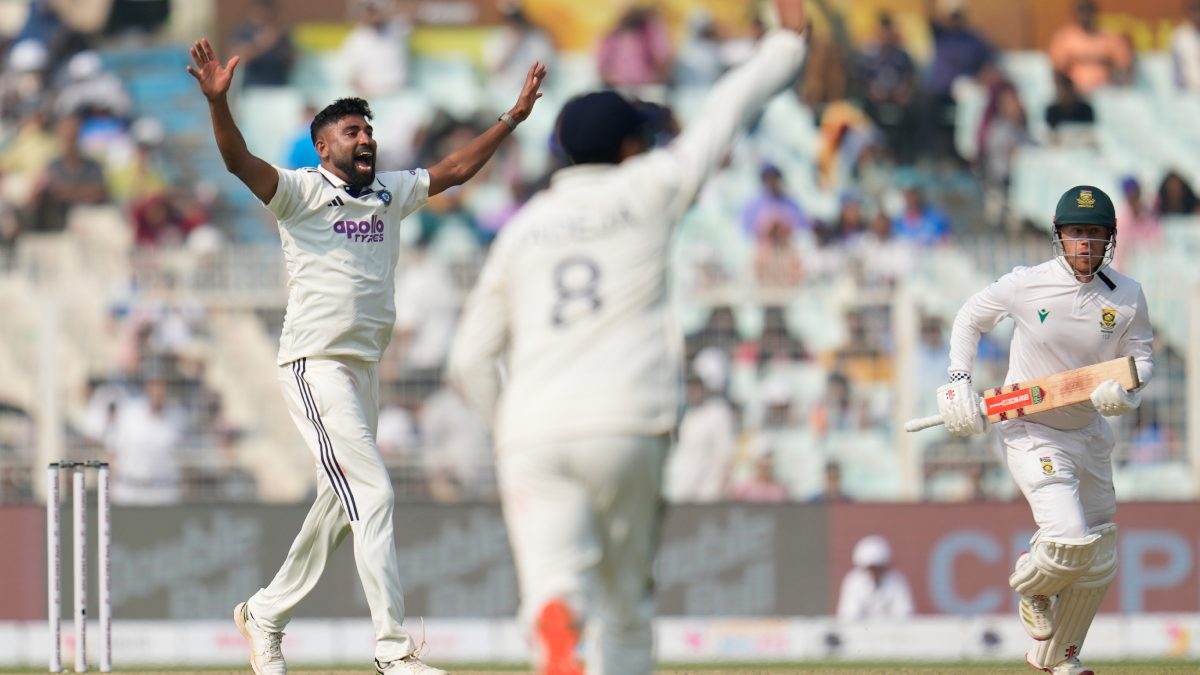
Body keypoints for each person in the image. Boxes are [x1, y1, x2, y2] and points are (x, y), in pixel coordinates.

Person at [446, 2, 811, 673]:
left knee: (554, 587)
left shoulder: (522, 228)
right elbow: (723, 111)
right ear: (626, 148)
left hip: (534, 429)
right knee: (625, 605)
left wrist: (512, 429)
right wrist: (785, 47)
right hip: (624, 419)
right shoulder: (648, 188)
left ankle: (556, 620)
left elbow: (468, 358)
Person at [186, 36, 546, 675]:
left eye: (369, 130)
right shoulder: (300, 192)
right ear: (325, 146)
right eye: (352, 131)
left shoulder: (390, 192)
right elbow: (239, 161)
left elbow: (456, 169)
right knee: (373, 493)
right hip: (315, 363)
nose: (366, 139)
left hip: (363, 368)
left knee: (339, 504)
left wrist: (511, 119)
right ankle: (393, 652)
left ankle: (264, 614)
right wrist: (220, 105)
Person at [936, 185, 1153, 675]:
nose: (1085, 244)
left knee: (1098, 558)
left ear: (1110, 239)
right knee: (1070, 537)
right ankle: (1033, 589)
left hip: (1089, 430)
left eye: (1094, 234)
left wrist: (1125, 394)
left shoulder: (1128, 296)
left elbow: (1141, 359)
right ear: (1059, 236)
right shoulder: (1026, 284)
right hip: (1030, 426)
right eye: (1076, 233)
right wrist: (957, 380)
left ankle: (1056, 658)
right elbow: (970, 318)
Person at [1048, 0, 1132, 94]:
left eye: (1088, 10)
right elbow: (1057, 70)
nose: (1085, 14)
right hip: (1075, 96)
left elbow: (1125, 66)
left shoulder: (1109, 37)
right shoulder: (1064, 38)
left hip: (1106, 93)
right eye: (1081, 10)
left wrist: (1120, 90)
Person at [836, 535, 913, 620]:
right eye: (871, 568)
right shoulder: (853, 582)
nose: (875, 572)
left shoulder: (896, 581)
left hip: (891, 632)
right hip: (860, 633)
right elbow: (848, 615)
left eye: (878, 568)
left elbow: (905, 613)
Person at [1171, 0, 1200, 92]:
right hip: (1190, 93)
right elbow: (1176, 68)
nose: (1197, 14)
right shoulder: (1180, 35)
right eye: (1194, 10)